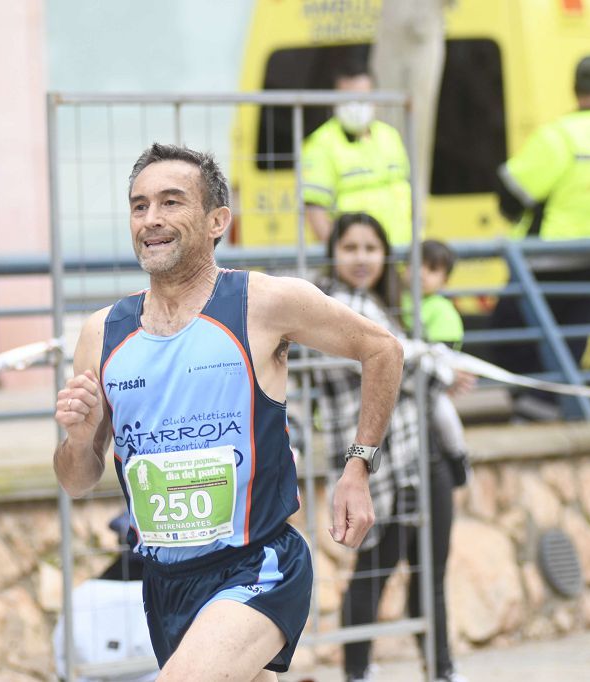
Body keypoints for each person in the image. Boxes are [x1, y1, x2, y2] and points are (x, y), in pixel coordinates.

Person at [54, 143, 404, 681]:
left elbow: (382, 349)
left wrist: (358, 467)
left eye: (172, 203)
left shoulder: (260, 303)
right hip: (166, 582)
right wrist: (77, 440)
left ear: (218, 220)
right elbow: (77, 479)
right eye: (139, 205)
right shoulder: (102, 334)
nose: (152, 220)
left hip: (258, 564)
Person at [313, 213, 467, 682]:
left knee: (431, 571)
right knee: (374, 569)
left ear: (385, 256)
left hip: (424, 454)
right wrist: (439, 367)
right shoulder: (328, 306)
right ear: (333, 253)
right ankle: (357, 671)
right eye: (351, 248)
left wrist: (428, 362)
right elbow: (393, 364)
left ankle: (442, 669)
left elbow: (407, 359)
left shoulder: (387, 304)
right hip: (377, 464)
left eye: (371, 249)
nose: (362, 258)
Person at [493, 54, 590, 419]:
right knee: (569, 341)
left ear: (575, 89)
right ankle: (550, 407)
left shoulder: (561, 136)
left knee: (509, 331)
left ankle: (536, 407)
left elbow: (511, 190)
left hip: (547, 260)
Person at [302, 63, 412, 245]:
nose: (355, 107)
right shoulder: (321, 144)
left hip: (400, 256)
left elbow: (406, 194)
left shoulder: (390, 136)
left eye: (362, 99)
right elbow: (316, 211)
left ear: (375, 99)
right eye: (347, 99)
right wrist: (340, 258)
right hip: (357, 263)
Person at [401, 239, 472, 486]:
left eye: (432, 269)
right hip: (406, 378)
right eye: (416, 265)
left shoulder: (441, 310)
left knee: (442, 411)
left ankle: (458, 453)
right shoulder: (396, 299)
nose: (421, 273)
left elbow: (444, 353)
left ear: (445, 279)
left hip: (432, 378)